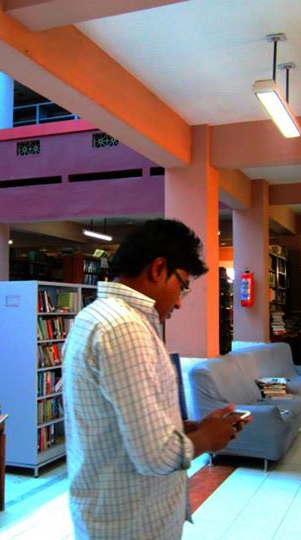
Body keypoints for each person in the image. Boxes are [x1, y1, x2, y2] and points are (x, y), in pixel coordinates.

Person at [62, 218, 248, 539]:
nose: (179, 302)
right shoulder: (125, 328)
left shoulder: (94, 317)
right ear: (158, 269)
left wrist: (188, 428)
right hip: (133, 523)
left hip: (110, 514)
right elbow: (155, 457)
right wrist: (207, 439)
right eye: (182, 285)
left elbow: (118, 425)